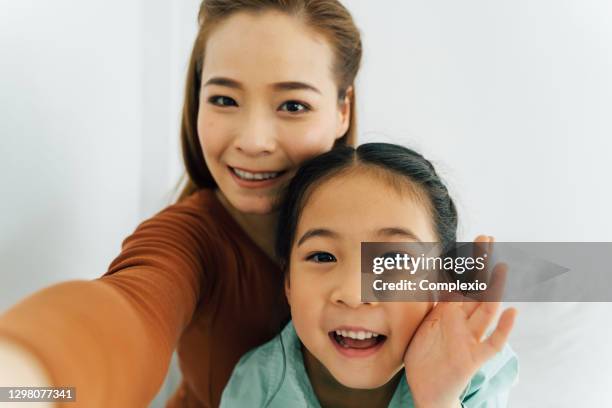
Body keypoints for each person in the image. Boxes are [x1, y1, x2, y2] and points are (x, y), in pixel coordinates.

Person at [0, 0, 361, 406]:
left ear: (341, 110)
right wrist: (23, 379)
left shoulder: (389, 221)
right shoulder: (187, 239)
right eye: (224, 99)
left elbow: (441, 295)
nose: (253, 141)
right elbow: (128, 310)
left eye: (293, 106)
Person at [220, 143, 518, 408]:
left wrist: (437, 401)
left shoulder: (473, 372)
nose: (353, 294)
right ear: (288, 283)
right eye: (322, 256)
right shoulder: (256, 386)